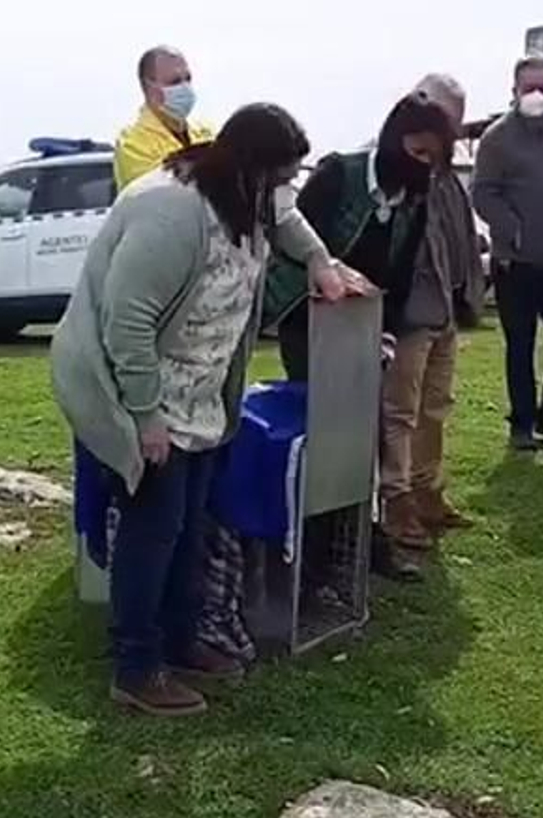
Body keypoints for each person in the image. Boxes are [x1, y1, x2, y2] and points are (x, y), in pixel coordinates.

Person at [52, 104, 350, 716]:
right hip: (138, 392)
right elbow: (127, 324)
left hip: (201, 396)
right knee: (152, 529)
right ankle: (136, 668)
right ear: (248, 168)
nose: (283, 192)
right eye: (277, 177)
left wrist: (320, 260)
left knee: (190, 526)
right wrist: (145, 417)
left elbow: (287, 217)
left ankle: (182, 641)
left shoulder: (248, 195)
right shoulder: (171, 212)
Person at [268, 93, 454, 580]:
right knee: (323, 429)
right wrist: (327, 277)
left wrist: (386, 333)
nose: (424, 165)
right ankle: (313, 550)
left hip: (365, 326)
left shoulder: (414, 198)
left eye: (433, 158)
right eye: (417, 152)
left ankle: (362, 542)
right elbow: (288, 241)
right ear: (395, 140)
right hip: (308, 321)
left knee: (367, 433)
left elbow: (400, 274)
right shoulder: (337, 175)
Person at [376, 75, 486, 554]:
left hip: (442, 309)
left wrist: (466, 296)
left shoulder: (447, 177)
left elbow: (460, 237)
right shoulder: (394, 169)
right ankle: (397, 501)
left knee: (435, 407)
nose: (452, 130)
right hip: (408, 315)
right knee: (400, 412)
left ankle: (428, 492)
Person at [472, 55, 543, 451]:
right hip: (516, 262)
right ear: (514, 90)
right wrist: (513, 230)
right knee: (521, 345)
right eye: (528, 87)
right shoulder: (497, 137)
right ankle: (522, 423)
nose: (537, 94)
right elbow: (482, 192)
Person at [115, 45, 214, 190]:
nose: (185, 87)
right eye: (175, 82)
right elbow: (156, 193)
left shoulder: (207, 131)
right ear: (149, 88)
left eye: (188, 79)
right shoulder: (132, 143)